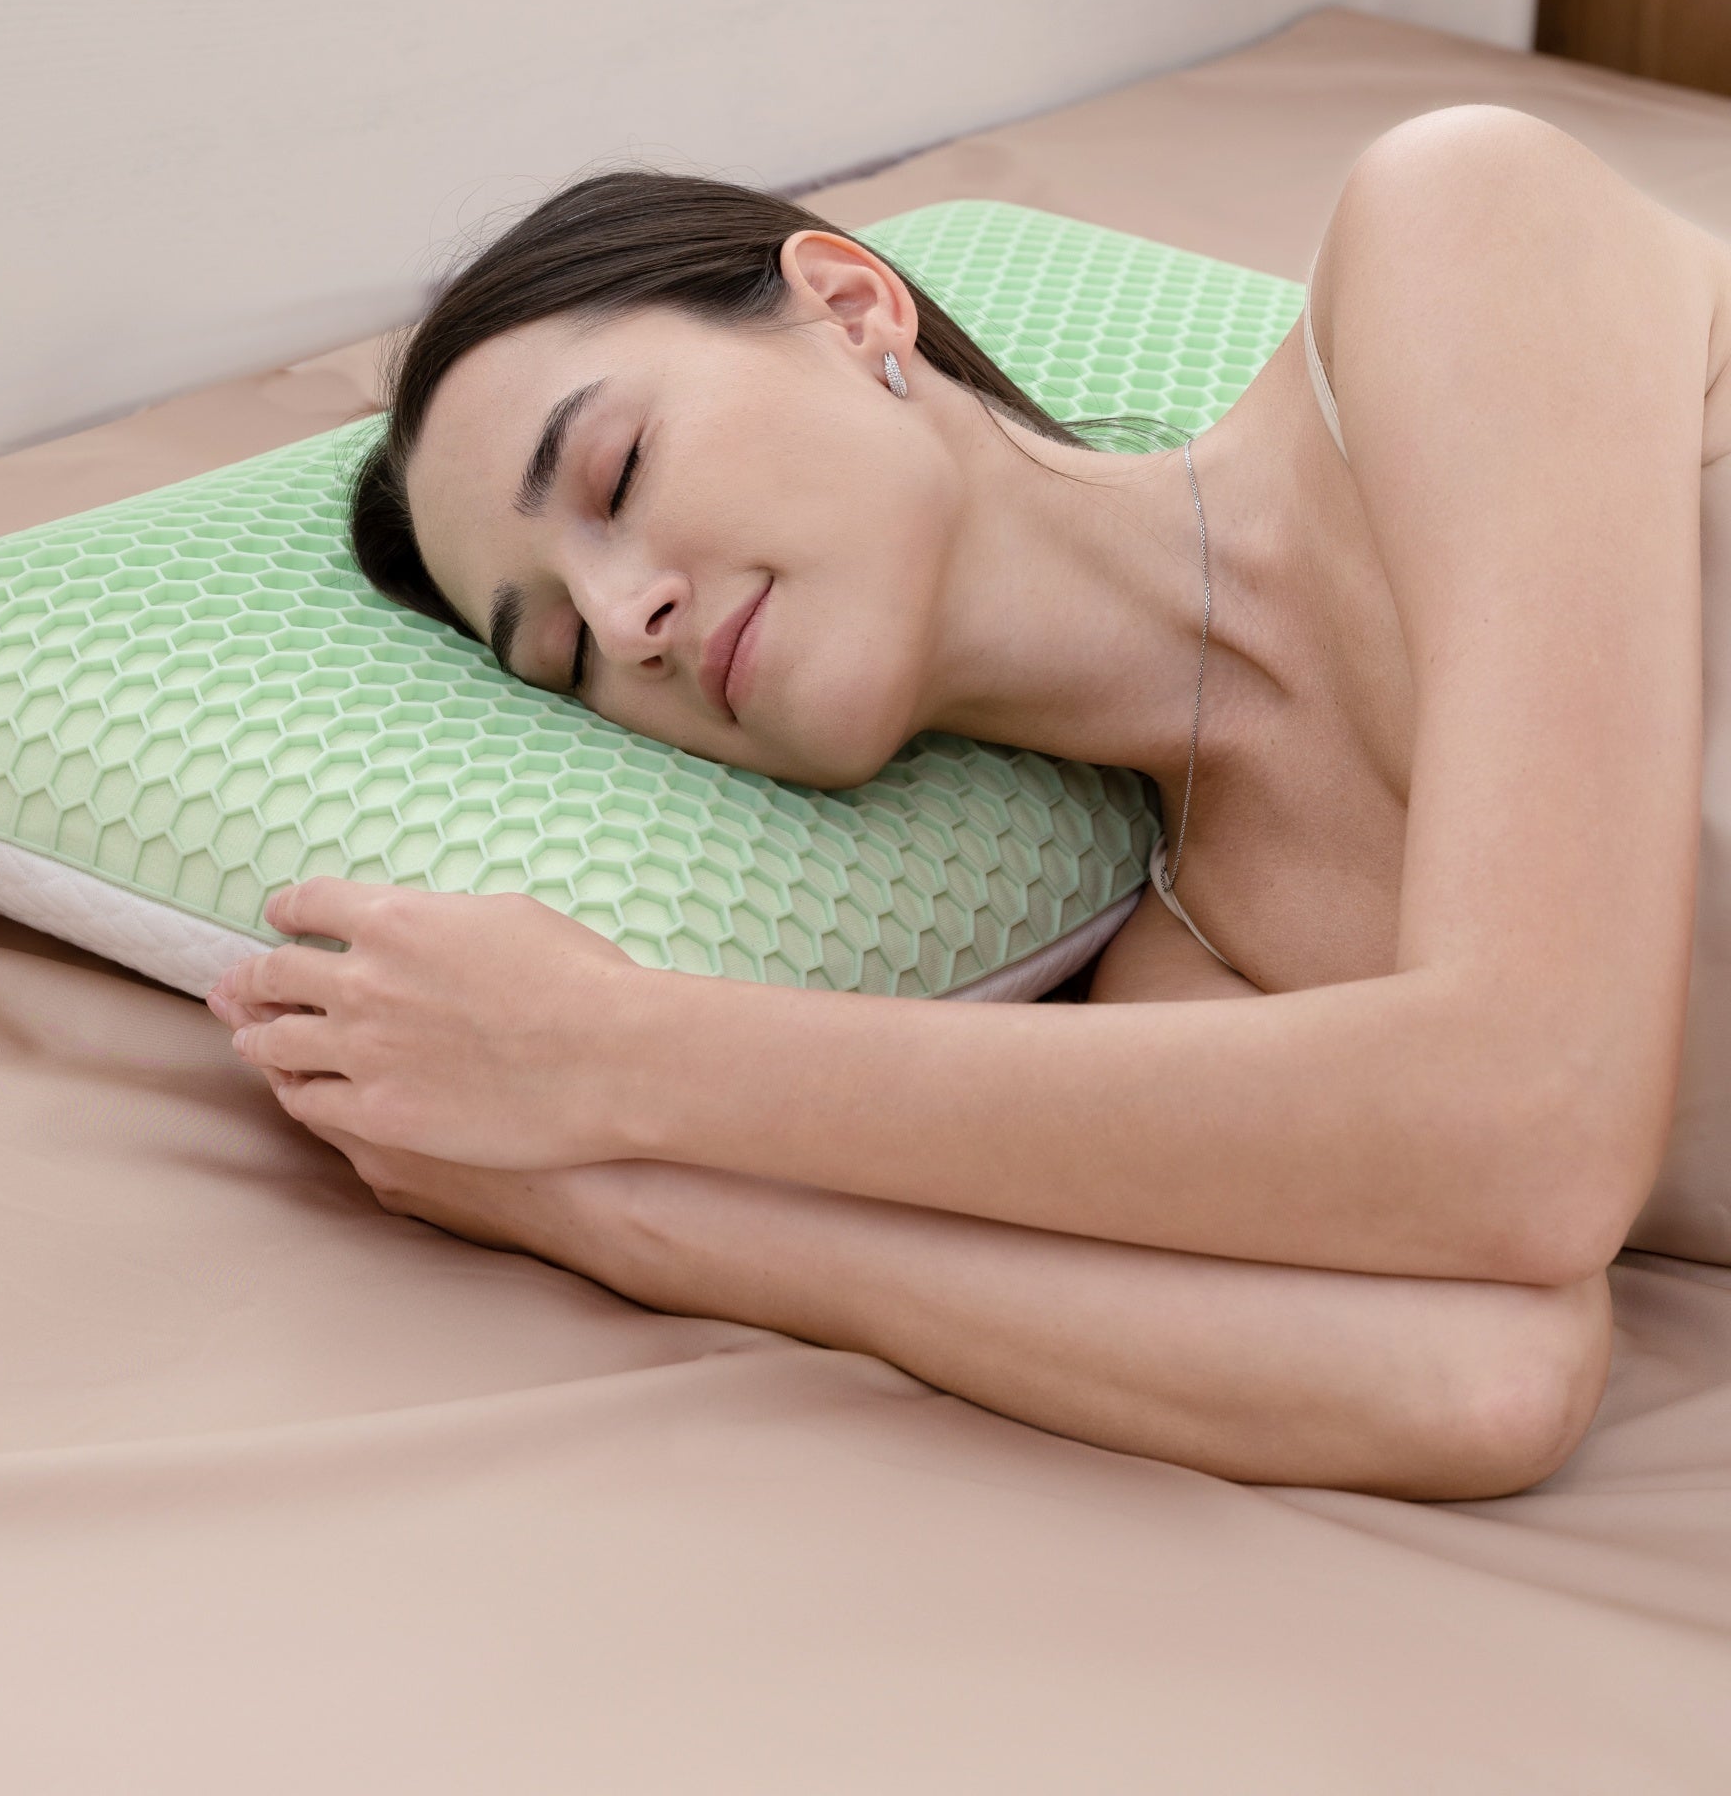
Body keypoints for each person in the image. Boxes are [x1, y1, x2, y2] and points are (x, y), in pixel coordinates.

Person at [206, 104, 1727, 1501]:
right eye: (561, 656)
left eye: (616, 472)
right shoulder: (1204, 967)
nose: (627, 622)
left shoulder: (1457, 232)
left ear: (854, 308)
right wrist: (602, 1212)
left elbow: (1541, 1118)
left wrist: (612, 1055)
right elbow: (1479, 1381)